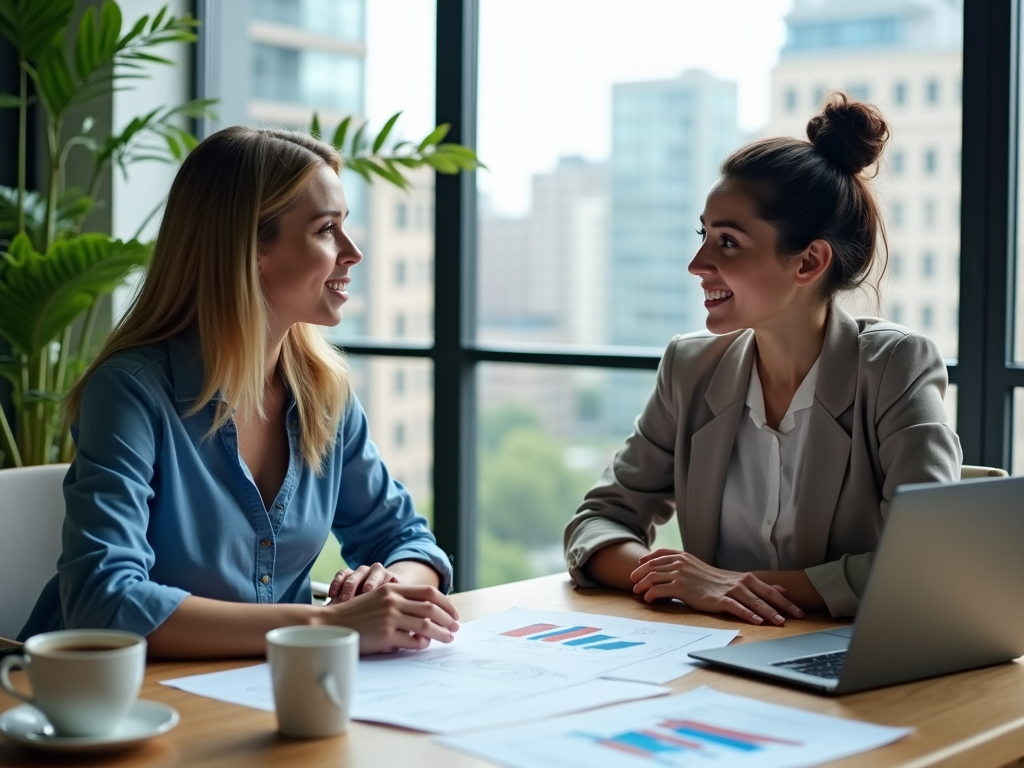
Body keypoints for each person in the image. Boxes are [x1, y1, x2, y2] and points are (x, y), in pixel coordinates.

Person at [19, 126, 459, 658]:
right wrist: (329, 625)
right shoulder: (130, 392)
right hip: (101, 701)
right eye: (326, 230)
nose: (353, 253)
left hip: (256, 692)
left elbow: (408, 539)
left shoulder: (325, 395)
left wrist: (387, 587)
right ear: (249, 249)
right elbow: (104, 600)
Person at [564, 94, 962, 625]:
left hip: (852, 661)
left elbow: (927, 562)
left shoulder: (893, 367)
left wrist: (729, 584)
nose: (697, 263)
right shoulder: (691, 367)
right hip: (718, 655)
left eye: (728, 242)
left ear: (808, 262)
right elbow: (597, 523)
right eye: (703, 234)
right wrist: (676, 578)